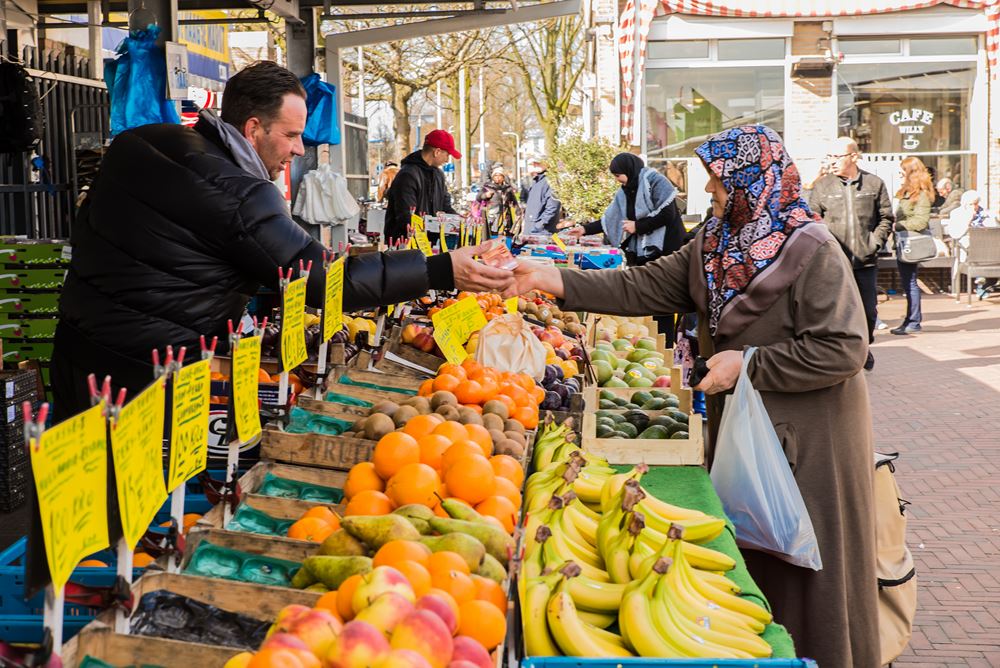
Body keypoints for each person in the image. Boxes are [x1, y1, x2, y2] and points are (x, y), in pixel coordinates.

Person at [507, 125, 879, 668]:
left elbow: (845, 348)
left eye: (717, 180)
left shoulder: (812, 248)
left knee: (807, 568)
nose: (710, 191)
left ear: (751, 179)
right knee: (755, 566)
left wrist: (749, 364)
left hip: (809, 441)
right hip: (741, 426)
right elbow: (642, 285)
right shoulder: (715, 240)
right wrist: (549, 277)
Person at [51, 62, 512, 421]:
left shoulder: (143, 145)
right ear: (253, 129)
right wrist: (440, 269)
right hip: (151, 376)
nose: (298, 149)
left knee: (72, 507)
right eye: (291, 135)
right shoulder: (241, 194)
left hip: (78, 353)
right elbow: (327, 281)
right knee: (135, 520)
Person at [808, 137, 894, 370]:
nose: (832, 162)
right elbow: (811, 220)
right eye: (830, 157)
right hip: (833, 263)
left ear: (854, 156)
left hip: (865, 262)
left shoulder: (874, 184)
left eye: (838, 157)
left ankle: (864, 347)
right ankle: (847, 354)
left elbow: (886, 217)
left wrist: (874, 242)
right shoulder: (823, 186)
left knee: (867, 311)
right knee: (836, 312)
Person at [566, 153, 686, 266]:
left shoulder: (656, 181)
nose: (617, 180)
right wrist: (584, 229)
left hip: (667, 247)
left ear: (628, 170)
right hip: (644, 252)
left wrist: (638, 226)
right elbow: (612, 220)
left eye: (618, 175)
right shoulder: (625, 191)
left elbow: (667, 214)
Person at [384, 129, 460, 244]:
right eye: (447, 154)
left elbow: (445, 206)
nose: (448, 159)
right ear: (437, 152)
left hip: (429, 243)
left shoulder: (438, 175)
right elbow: (406, 217)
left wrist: (460, 223)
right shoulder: (407, 175)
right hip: (406, 245)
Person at [892, 156, 934, 335]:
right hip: (903, 243)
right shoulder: (907, 192)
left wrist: (897, 225)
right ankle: (909, 320)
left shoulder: (921, 195)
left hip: (911, 244)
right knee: (908, 282)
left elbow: (921, 221)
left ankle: (914, 321)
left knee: (910, 283)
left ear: (911, 173)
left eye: (903, 172)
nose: (900, 175)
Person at [522, 158, 561, 234]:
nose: (534, 165)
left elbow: (553, 206)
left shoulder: (550, 181)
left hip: (542, 232)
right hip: (533, 229)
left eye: (537, 163)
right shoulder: (536, 181)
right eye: (532, 163)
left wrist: (539, 225)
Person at [478, 166, 519, 235]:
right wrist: (485, 195)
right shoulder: (488, 187)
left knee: (505, 235)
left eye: (500, 175)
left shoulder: (507, 188)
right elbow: (478, 197)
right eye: (495, 175)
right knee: (492, 235)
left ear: (503, 177)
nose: (497, 177)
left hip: (505, 217)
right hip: (492, 216)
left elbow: (514, 201)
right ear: (493, 177)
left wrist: (518, 211)